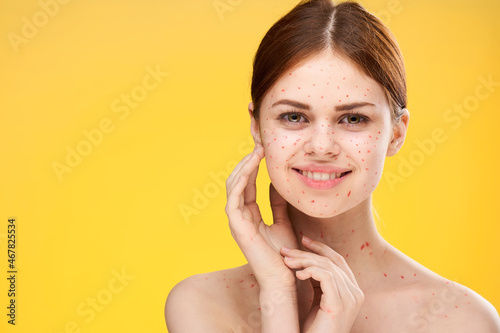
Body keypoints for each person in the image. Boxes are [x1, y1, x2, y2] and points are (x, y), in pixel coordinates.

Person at [165, 0, 500, 331]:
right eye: (294, 117)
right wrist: (279, 297)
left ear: (396, 133)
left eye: (353, 118)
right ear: (257, 127)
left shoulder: (460, 320)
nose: (322, 147)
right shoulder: (203, 305)